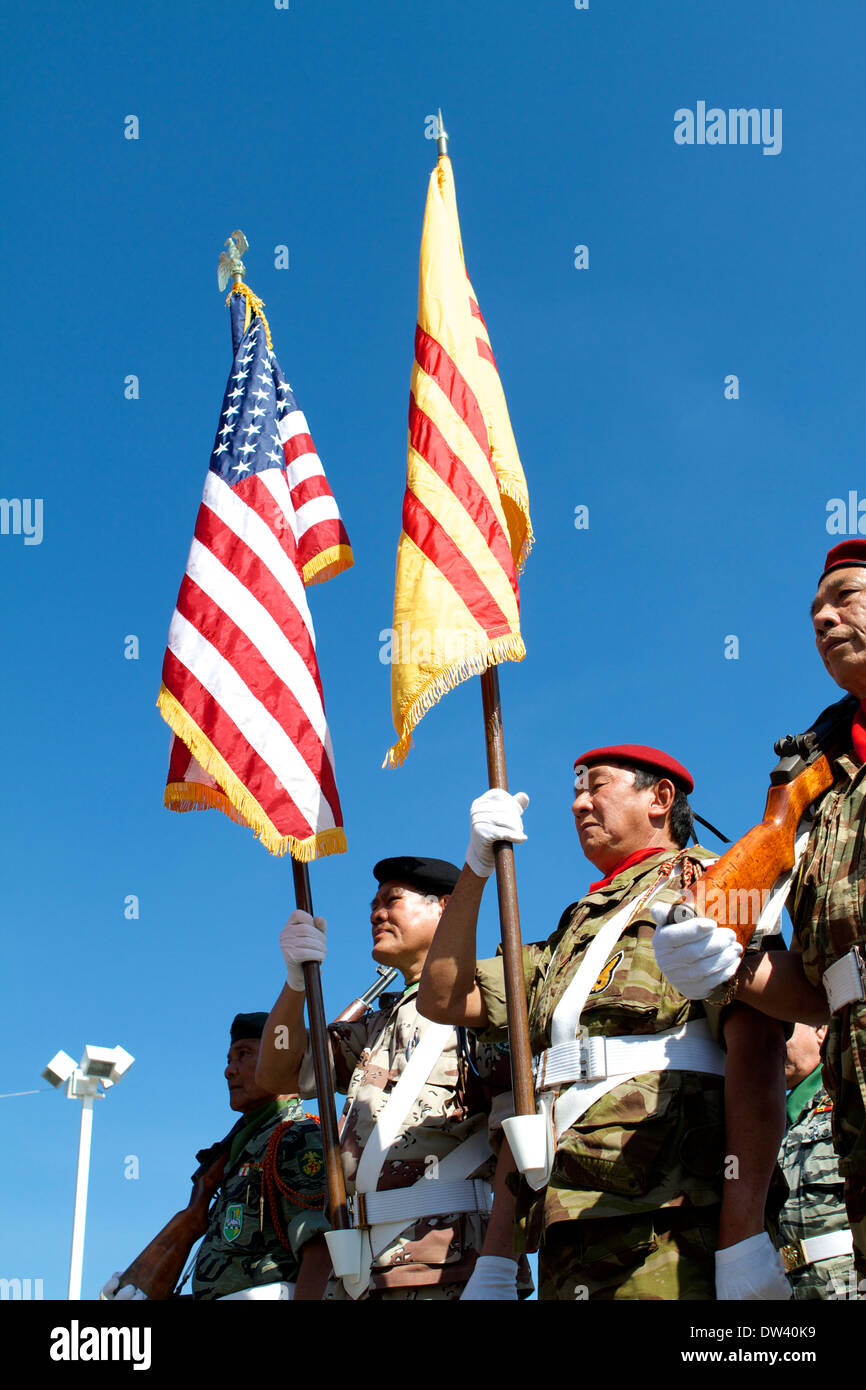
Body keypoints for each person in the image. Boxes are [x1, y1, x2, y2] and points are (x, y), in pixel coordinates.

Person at [417, 745, 790, 1300]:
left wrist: (741, 1237)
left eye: (597, 787)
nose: (578, 804)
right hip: (567, 1217)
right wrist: (475, 868)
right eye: (574, 792)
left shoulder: (720, 884)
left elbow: (758, 1054)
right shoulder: (574, 929)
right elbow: (445, 998)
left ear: (660, 798)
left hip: (672, 1217)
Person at [653, 539, 866, 1283]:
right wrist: (726, 965)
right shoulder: (815, 779)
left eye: (846, 596)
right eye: (814, 612)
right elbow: (823, 990)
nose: (825, 618)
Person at [256, 856, 530, 1300]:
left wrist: (497, 1264)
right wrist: (295, 985)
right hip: (359, 1271)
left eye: (392, 900)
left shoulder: (480, 1005)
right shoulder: (376, 1024)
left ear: (442, 907)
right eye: (373, 904)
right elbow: (277, 1071)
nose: (376, 913)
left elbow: (515, 1140)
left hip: (448, 1270)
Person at [101, 1012, 332, 1301]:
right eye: (229, 1059)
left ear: (282, 1061)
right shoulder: (241, 1148)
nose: (229, 1070)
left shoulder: (296, 1137)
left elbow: (321, 1250)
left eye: (244, 1054)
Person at [776, 1022, 856, 1299]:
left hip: (852, 1281)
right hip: (788, 1287)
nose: (771, 1039)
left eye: (783, 1028)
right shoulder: (763, 1124)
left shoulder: (851, 1101)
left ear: (821, 1031)